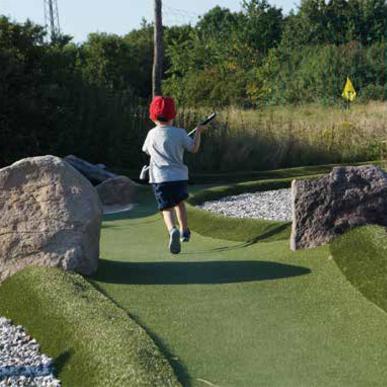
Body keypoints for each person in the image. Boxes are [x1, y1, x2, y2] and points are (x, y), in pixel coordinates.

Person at [142, 96, 206, 254]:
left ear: (153, 116)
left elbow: (147, 150)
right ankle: (185, 230)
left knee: (167, 208)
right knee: (180, 204)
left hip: (160, 179)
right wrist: (198, 132)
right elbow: (194, 148)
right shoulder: (180, 133)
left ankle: (172, 230)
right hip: (179, 177)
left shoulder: (151, 134)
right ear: (173, 115)